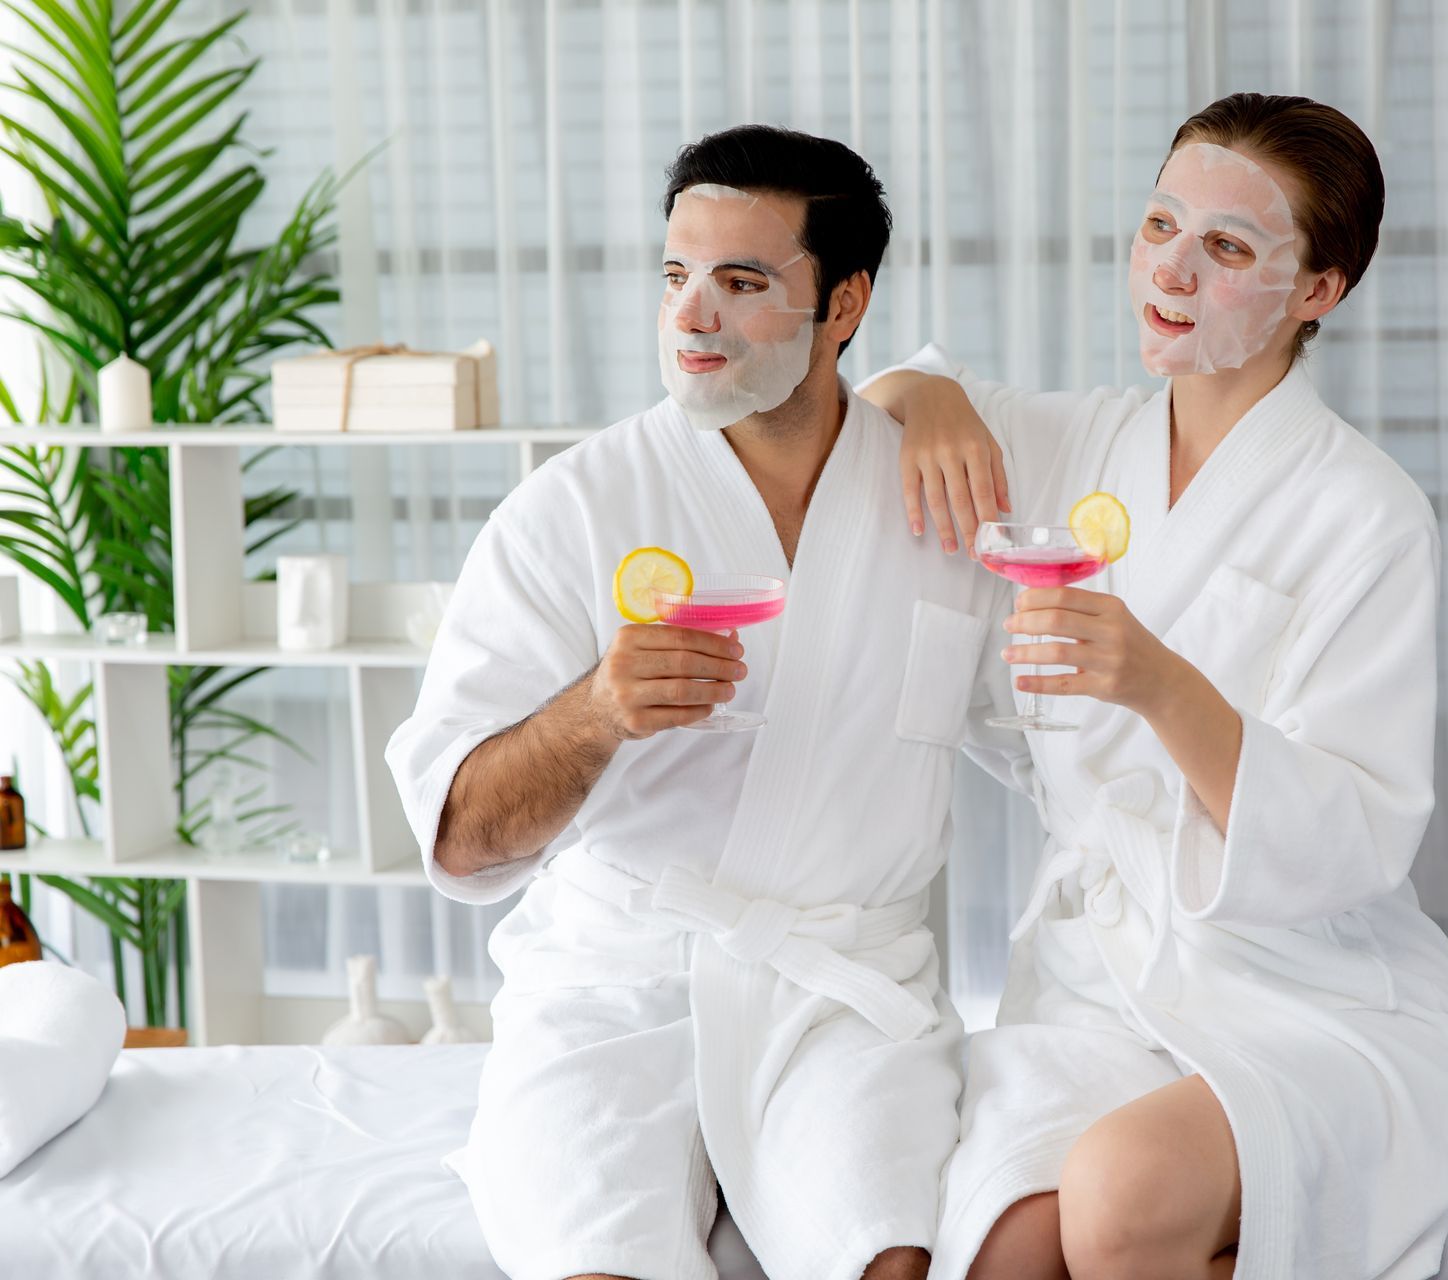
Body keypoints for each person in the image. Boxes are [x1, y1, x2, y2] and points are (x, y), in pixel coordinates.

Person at [863, 93, 1448, 1280]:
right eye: (1161, 223)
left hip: (1297, 981)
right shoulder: (1074, 443)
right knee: (1001, 1246)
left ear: (1317, 289)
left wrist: (1162, 684)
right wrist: (934, 396)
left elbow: (1359, 831)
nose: (1171, 268)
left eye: (1226, 248)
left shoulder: (1364, 513)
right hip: (1098, 979)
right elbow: (885, 396)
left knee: (1116, 1201)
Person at [388, 125, 1025, 1280]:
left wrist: (934, 391)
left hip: (843, 991)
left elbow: (1058, 749)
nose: (692, 315)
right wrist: (596, 712)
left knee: (889, 1258)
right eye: (676, 275)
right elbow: (460, 831)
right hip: (616, 983)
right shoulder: (571, 510)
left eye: (743, 282)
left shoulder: (940, 503)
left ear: (845, 303)